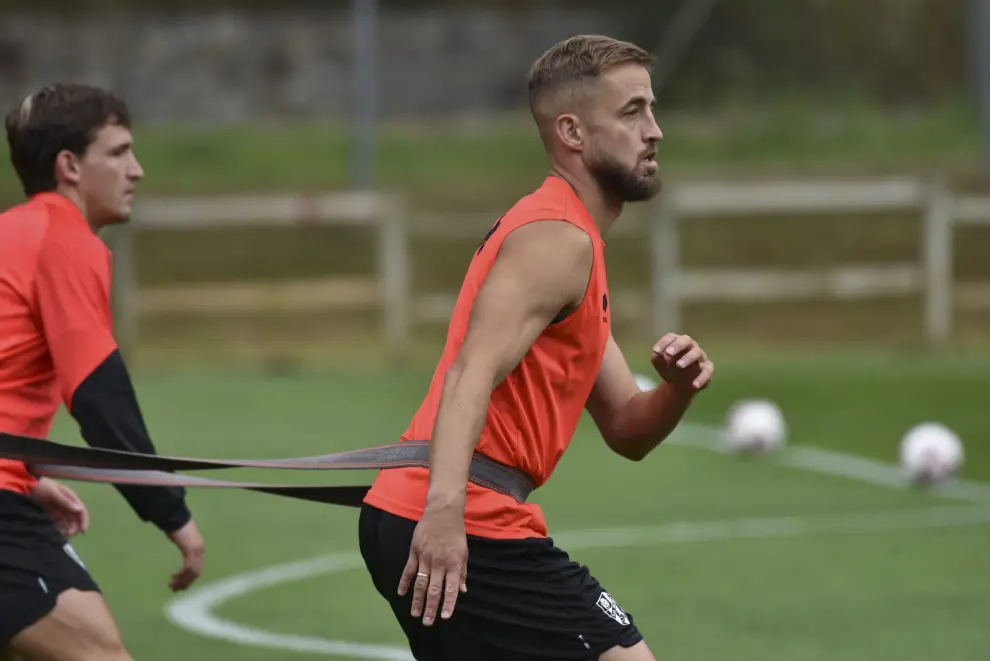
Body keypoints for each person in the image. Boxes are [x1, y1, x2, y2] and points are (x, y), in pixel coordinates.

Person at [358, 35, 714, 661]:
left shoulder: (573, 243)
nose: (654, 130)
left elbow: (628, 427)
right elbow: (469, 372)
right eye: (632, 113)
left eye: (652, 110)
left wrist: (678, 391)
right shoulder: (558, 240)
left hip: (435, 510)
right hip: (465, 518)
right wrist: (443, 513)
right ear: (572, 133)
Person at [0, 83, 207, 661]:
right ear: (69, 166)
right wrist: (174, 513)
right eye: (117, 153)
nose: (136, 170)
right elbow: (100, 400)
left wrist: (25, 475)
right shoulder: (63, 241)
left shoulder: (11, 235)